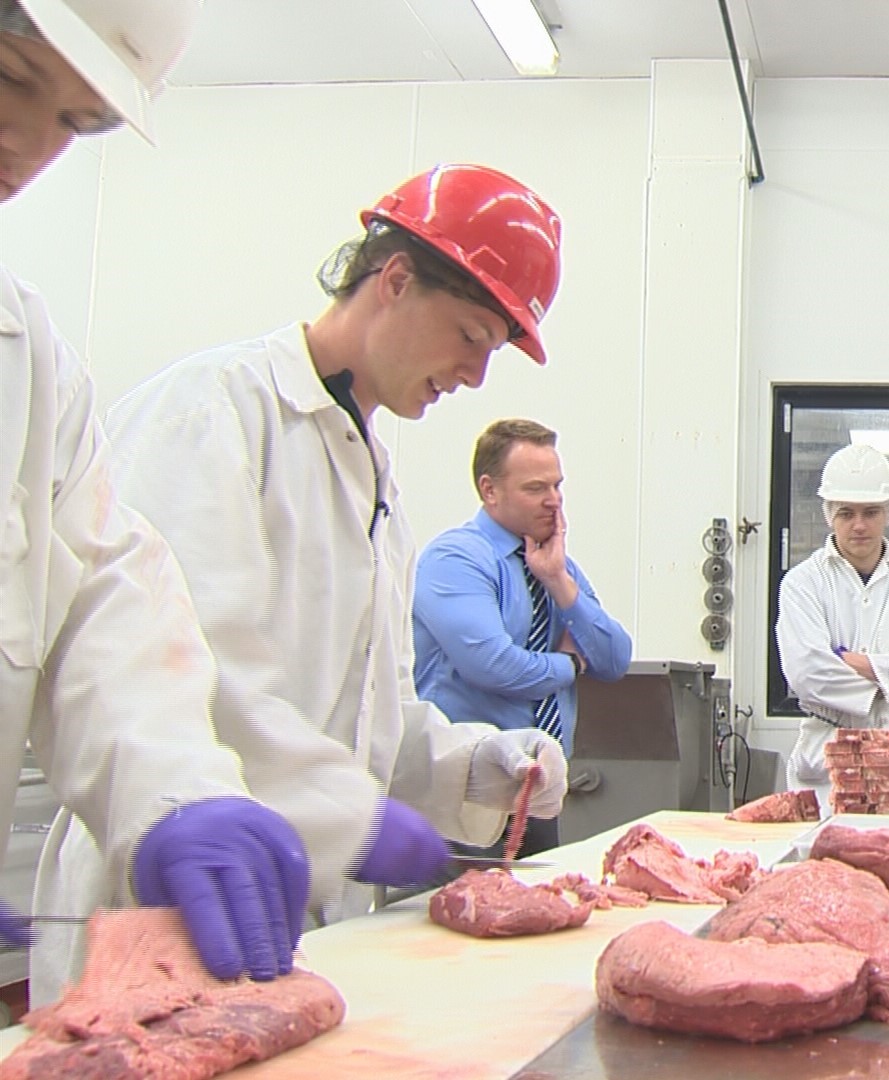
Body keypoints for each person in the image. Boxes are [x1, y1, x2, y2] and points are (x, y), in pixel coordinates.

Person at [33, 162, 573, 999]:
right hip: (163, 909)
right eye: (472, 336)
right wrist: (346, 817)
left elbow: (366, 720)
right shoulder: (214, 416)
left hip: (297, 926)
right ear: (394, 280)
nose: (475, 377)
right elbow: (173, 678)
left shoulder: (372, 479)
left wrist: (475, 766)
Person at [0, 0, 311, 989]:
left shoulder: (28, 358)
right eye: (13, 80)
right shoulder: (212, 405)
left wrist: (180, 792)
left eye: (78, 124)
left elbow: (102, 595)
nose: (32, 147)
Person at [413, 418, 634, 856]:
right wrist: (568, 665)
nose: (553, 501)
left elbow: (614, 658)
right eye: (536, 488)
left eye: (557, 486)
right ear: (489, 490)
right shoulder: (455, 558)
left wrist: (559, 584)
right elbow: (495, 666)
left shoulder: (551, 563)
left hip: (536, 796)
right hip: (467, 797)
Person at [775, 443, 889, 799]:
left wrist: (860, 663)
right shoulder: (802, 583)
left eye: (870, 512)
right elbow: (807, 674)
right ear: (829, 515)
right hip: (826, 764)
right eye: (846, 513)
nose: (859, 525)